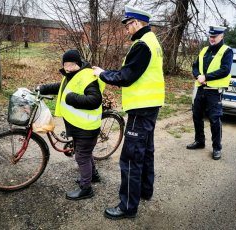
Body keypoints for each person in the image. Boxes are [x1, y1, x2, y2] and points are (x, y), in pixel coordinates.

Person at [93, 5, 165, 220]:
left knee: (131, 158)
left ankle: (127, 207)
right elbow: (131, 72)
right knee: (146, 151)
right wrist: (108, 72)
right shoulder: (152, 41)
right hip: (150, 106)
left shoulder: (142, 45)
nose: (126, 29)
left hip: (141, 109)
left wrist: (103, 74)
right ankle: (145, 190)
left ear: (136, 23)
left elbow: (125, 77)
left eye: (127, 25)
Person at [38, 49, 105, 200]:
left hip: (86, 127)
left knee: (81, 156)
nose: (68, 68)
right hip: (78, 125)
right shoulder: (71, 76)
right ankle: (93, 176)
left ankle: (86, 189)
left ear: (79, 64)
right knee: (85, 154)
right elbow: (60, 87)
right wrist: (42, 88)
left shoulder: (87, 77)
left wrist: (71, 98)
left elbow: (95, 100)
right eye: (66, 64)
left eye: (71, 64)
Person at [186, 25, 233, 160]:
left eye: (215, 36)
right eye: (210, 36)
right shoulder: (204, 50)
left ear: (221, 36)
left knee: (214, 119)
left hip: (214, 92)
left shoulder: (227, 51)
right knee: (196, 116)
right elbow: (195, 65)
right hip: (200, 89)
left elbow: (225, 70)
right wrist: (197, 76)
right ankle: (200, 141)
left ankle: (217, 148)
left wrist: (206, 77)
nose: (212, 39)